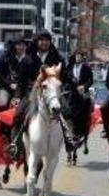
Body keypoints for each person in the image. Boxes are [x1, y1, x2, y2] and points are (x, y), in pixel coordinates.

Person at [7, 30, 74, 158]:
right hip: (32, 93)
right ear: (36, 42)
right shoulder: (27, 59)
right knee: (18, 115)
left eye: (47, 40)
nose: (44, 42)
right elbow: (21, 81)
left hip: (53, 93)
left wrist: (65, 87)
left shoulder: (58, 59)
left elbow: (65, 77)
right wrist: (17, 96)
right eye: (41, 40)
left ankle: (69, 140)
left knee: (67, 111)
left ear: (50, 42)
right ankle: (15, 145)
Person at [66, 50, 95, 140]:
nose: (78, 58)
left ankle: (83, 130)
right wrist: (71, 81)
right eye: (76, 56)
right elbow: (66, 78)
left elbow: (91, 80)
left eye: (79, 56)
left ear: (82, 58)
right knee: (68, 111)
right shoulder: (69, 67)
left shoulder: (86, 68)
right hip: (72, 92)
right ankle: (70, 131)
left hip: (83, 92)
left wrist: (84, 86)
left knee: (85, 110)